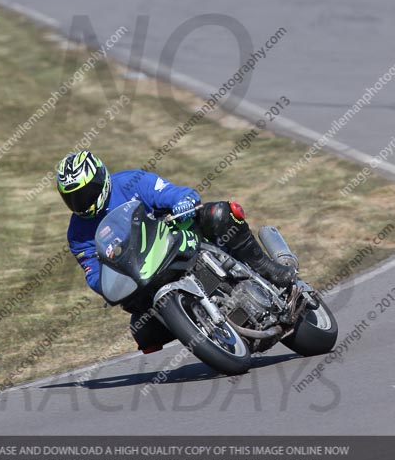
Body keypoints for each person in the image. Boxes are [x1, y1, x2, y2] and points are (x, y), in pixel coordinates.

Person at [57, 150, 295, 353]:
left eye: (86, 193)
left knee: (220, 214)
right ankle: (207, 328)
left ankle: (268, 268)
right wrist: (108, 285)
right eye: (72, 198)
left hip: (176, 240)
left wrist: (183, 202)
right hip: (141, 274)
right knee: (143, 331)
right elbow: (93, 273)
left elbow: (177, 194)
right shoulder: (77, 234)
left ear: (101, 178)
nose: (81, 202)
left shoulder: (134, 182)